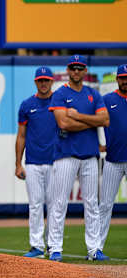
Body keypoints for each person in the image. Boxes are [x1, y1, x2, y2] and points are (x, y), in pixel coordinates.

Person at [47, 55, 110, 262]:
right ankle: (55, 248)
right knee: (59, 202)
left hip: (90, 155)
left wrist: (78, 116)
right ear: (68, 70)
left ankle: (94, 249)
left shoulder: (93, 94)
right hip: (66, 155)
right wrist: (92, 122)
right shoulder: (60, 94)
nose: (76, 71)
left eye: (79, 68)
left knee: (92, 203)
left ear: (84, 71)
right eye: (73, 68)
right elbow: (64, 124)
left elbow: (105, 120)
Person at [15, 67, 56, 258]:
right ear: (35, 82)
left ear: (52, 81)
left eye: (46, 80)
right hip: (32, 161)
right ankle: (37, 246)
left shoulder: (59, 102)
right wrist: (18, 163)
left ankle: (54, 245)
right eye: (40, 80)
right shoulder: (27, 105)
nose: (44, 83)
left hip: (56, 162)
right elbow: (21, 136)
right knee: (35, 205)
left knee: (55, 205)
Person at [98, 64, 127, 252]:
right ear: (117, 79)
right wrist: (98, 144)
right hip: (113, 160)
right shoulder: (107, 99)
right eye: (123, 77)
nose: (125, 81)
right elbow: (96, 123)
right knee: (105, 204)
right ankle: (96, 248)